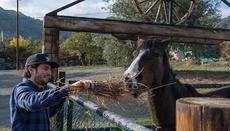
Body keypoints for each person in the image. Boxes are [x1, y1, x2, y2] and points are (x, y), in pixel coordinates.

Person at [9, 53, 92, 131]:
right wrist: (63, 90)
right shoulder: (21, 89)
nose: (49, 73)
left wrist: (63, 96)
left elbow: (48, 112)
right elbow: (31, 102)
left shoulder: (40, 90)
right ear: (31, 70)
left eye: (50, 69)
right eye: (45, 68)